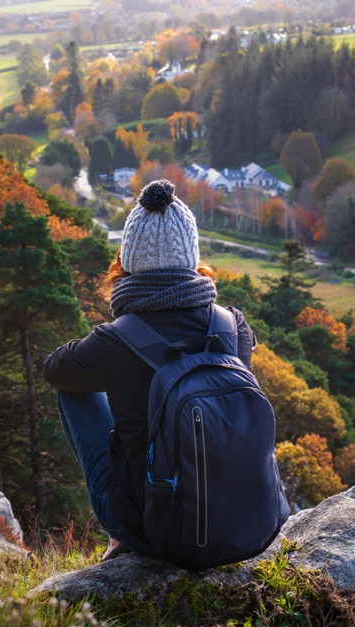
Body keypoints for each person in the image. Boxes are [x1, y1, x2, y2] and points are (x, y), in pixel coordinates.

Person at [43, 179, 258, 562]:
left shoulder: (115, 340)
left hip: (152, 531)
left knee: (75, 390)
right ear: (191, 257)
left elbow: (55, 370)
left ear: (127, 259)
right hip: (241, 520)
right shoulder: (233, 325)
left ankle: (119, 534)